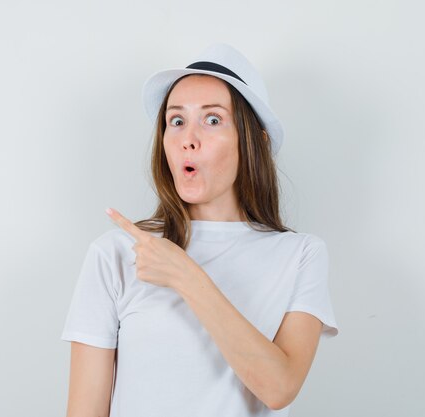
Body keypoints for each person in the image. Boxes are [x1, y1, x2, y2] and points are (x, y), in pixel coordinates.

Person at [60, 43, 338, 417]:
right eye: (176, 121)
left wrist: (186, 276)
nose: (188, 138)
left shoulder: (301, 255)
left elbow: (280, 387)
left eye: (212, 119)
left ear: (256, 140)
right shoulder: (116, 253)